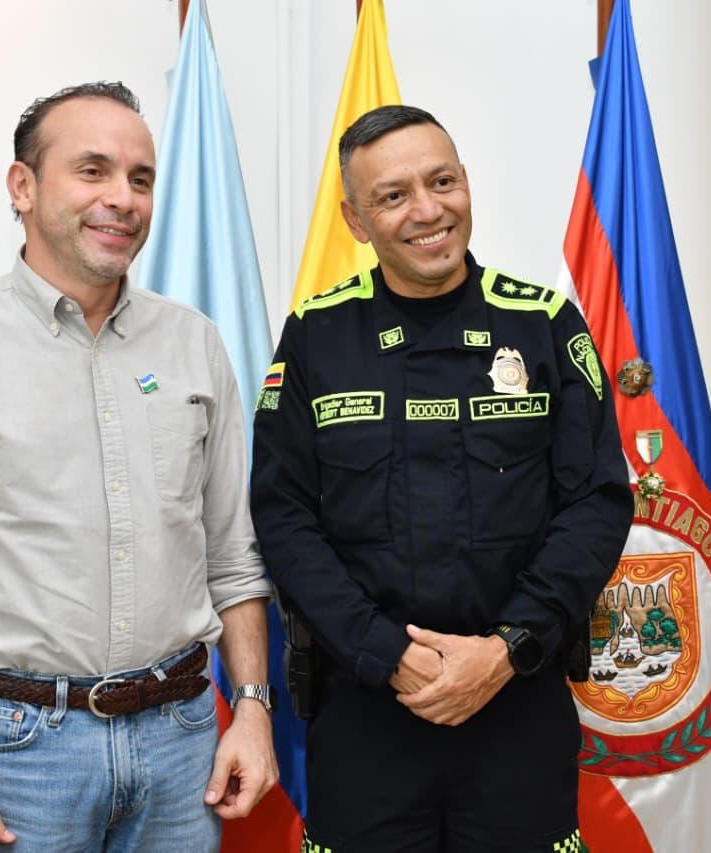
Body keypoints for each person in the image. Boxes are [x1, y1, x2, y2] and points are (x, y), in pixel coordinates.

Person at [0, 81, 277, 853]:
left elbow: (232, 553)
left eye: (140, 178)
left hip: (184, 745)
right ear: (23, 186)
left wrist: (251, 705)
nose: (122, 197)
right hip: (18, 757)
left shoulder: (194, 344)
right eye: (93, 170)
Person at [250, 104, 632, 852]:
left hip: (517, 704)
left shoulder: (545, 325)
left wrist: (508, 647)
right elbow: (282, 516)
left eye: (442, 181)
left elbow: (596, 504)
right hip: (366, 715)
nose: (429, 211)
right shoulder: (318, 334)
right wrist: (385, 653)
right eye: (393, 195)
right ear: (356, 220)